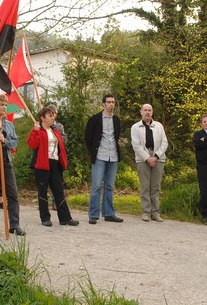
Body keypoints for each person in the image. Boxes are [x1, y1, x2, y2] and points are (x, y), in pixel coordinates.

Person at [28, 106, 79, 227]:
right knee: (43, 191)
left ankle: (65, 218)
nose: (53, 118)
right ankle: (45, 218)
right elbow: (32, 145)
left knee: (58, 190)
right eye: (50, 116)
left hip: (55, 162)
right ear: (42, 118)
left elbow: (61, 146)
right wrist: (35, 131)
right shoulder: (38, 130)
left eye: (53, 115)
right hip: (42, 164)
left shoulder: (54, 130)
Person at [0, 95, 25, 237]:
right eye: (1, 104)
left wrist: (5, 141)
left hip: (6, 161)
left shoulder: (9, 124)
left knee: (13, 194)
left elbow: (15, 142)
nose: (4, 107)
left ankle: (14, 225)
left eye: (5, 104)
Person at [84, 94, 123, 224]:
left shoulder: (116, 120)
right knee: (96, 186)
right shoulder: (95, 119)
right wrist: (93, 152)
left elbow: (116, 136)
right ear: (103, 104)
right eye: (108, 102)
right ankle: (93, 214)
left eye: (113, 102)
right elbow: (88, 138)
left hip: (113, 156)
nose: (111, 104)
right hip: (100, 156)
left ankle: (109, 213)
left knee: (109, 186)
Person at [131, 104, 168, 222]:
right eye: (145, 110)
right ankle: (146, 212)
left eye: (149, 110)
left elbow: (164, 143)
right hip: (143, 159)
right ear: (141, 112)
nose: (147, 112)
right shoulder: (135, 127)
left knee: (156, 187)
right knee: (145, 186)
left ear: (152, 112)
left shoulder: (159, 126)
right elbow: (136, 145)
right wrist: (147, 158)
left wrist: (156, 156)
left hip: (158, 158)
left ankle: (155, 213)